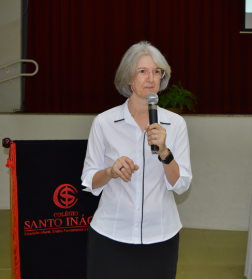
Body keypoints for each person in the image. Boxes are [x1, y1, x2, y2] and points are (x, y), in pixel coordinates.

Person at [81, 41, 192, 279]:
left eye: (156, 71)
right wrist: (110, 171)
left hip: (160, 236)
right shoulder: (104, 122)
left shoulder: (175, 124)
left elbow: (181, 185)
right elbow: (89, 180)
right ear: (128, 78)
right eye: (142, 71)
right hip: (110, 235)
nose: (150, 78)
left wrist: (165, 152)